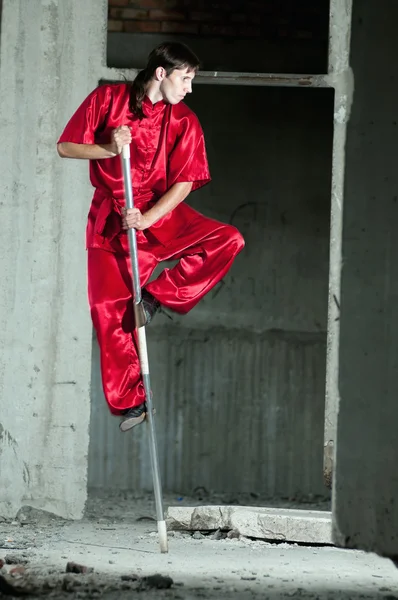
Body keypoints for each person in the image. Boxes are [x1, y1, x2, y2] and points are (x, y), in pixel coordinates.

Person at [57, 42, 244, 432]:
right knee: (109, 312)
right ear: (162, 73)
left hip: (159, 212)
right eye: (186, 78)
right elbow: (66, 146)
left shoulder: (184, 120)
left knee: (227, 239)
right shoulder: (107, 98)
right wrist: (109, 148)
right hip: (112, 217)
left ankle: (158, 298)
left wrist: (148, 219)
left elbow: (186, 181)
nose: (189, 88)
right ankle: (133, 404)